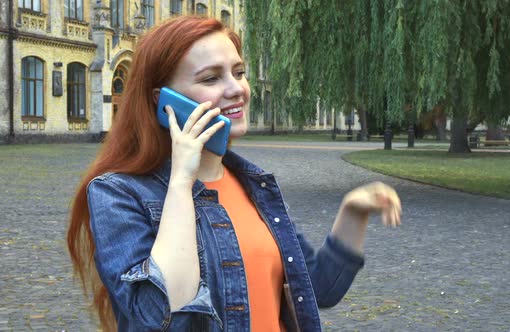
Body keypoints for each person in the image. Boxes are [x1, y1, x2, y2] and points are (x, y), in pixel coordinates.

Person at [67, 16, 402, 332]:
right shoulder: (119, 194)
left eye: (239, 72)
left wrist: (352, 214)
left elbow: (317, 289)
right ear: (163, 102)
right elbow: (160, 316)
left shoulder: (255, 186)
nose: (236, 89)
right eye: (211, 78)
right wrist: (182, 181)